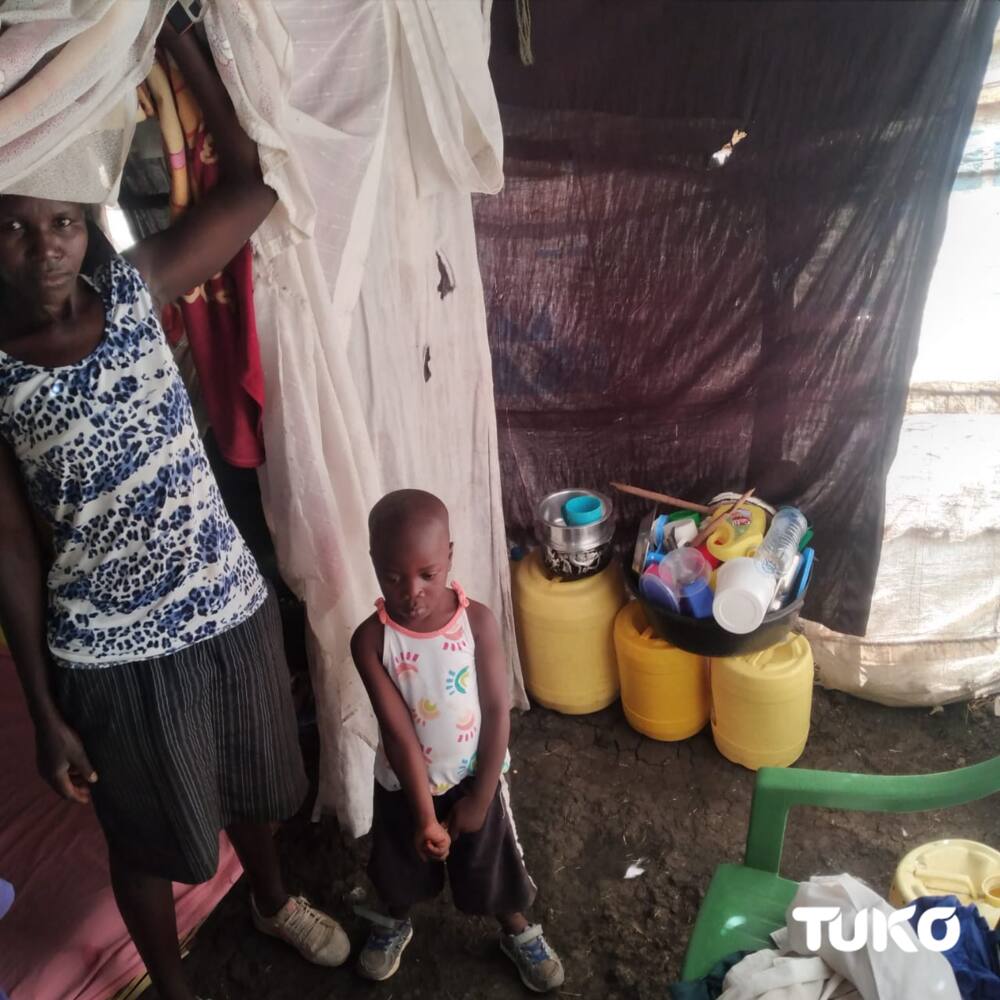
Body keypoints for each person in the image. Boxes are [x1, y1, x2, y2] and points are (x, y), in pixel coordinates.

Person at [0, 22, 348, 1000]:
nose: (43, 251)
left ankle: (274, 900)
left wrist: (182, 38)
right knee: (146, 834)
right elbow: (12, 551)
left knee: (261, 787)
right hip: (110, 652)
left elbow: (252, 188)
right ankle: (175, 986)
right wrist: (43, 708)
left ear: (86, 221)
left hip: (226, 606)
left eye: (62, 223)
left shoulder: (135, 286)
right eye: (15, 228)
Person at [351, 489, 565, 993]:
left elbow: (496, 710)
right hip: (405, 785)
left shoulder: (478, 622)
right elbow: (397, 731)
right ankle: (395, 919)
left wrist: (482, 796)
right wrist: (425, 815)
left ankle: (516, 928)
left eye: (427, 574)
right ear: (373, 564)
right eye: (392, 576)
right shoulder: (371, 640)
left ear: (449, 554)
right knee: (401, 862)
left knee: (490, 861)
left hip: (476, 775)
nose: (411, 592)